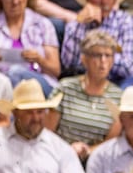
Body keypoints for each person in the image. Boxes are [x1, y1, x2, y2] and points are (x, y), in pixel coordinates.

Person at [50, 28, 122, 162]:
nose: (103, 61)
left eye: (108, 55)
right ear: (84, 59)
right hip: (59, 157)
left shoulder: (118, 96)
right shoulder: (65, 88)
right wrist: (68, 150)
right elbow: (48, 132)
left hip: (98, 160)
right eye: (97, 55)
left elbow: (112, 142)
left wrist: (88, 150)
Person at [0, 0, 59, 93]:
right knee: (8, 77)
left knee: (15, 72)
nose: (15, 1)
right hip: (0, 84)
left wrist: (39, 60)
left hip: (39, 85)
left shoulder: (42, 24)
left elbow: (55, 70)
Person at [59, 0, 133, 85]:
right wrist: (80, 25)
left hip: (122, 78)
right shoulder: (74, 25)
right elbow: (68, 64)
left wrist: (96, 59)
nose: (103, 1)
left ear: (114, 0)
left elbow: (129, 67)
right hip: (88, 80)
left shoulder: (126, 22)